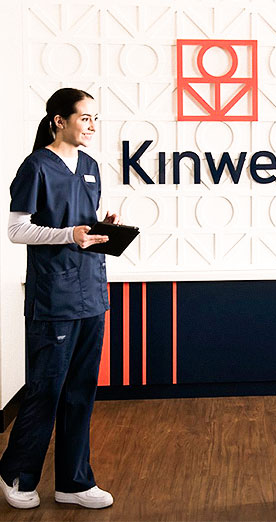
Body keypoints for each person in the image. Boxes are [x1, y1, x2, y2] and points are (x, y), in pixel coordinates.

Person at [0, 88, 117, 510]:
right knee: (46, 390)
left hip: (91, 293)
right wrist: (70, 234)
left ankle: (74, 481)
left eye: (94, 119)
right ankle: (16, 473)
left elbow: (80, 225)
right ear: (58, 120)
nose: (91, 126)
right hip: (54, 296)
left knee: (81, 390)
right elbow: (17, 230)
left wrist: (99, 226)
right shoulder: (36, 167)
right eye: (85, 118)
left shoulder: (89, 166)